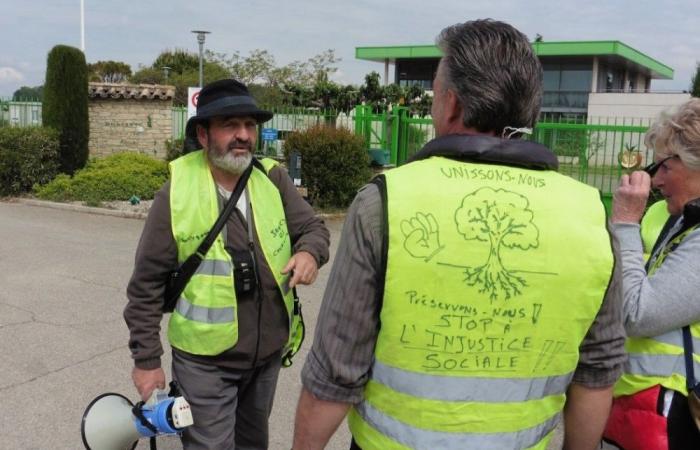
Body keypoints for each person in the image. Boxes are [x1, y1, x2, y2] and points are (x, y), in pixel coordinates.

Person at [292, 19, 626, 450]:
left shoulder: (388, 201)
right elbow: (597, 372)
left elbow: (336, 371)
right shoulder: (588, 214)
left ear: (451, 104)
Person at [124, 78, 330, 450]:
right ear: (203, 135)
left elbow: (313, 228)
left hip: (266, 357)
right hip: (205, 365)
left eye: (250, 125)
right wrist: (146, 359)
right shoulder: (178, 191)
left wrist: (309, 253)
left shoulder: (271, 177)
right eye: (229, 125)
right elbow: (146, 285)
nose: (243, 135)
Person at [603, 99, 700, 450]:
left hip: (674, 412)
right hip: (649, 404)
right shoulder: (685, 223)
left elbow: (637, 313)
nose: (655, 179)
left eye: (664, 166)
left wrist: (627, 223)